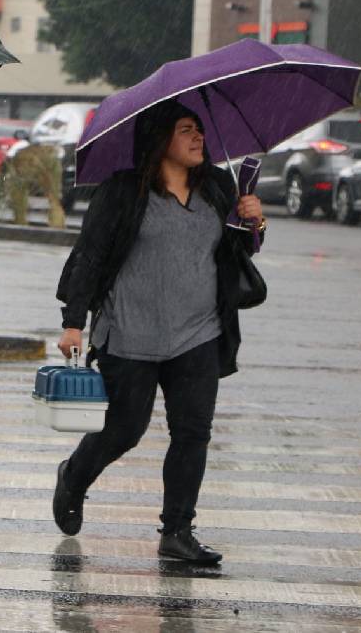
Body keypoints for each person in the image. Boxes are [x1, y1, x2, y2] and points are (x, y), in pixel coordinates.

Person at [52, 99, 265, 565]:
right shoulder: (123, 192)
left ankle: (177, 531)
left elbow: (240, 249)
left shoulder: (216, 186)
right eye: (186, 130)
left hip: (199, 332)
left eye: (200, 131)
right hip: (130, 332)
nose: (198, 139)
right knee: (124, 430)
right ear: (159, 138)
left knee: (193, 432)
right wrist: (73, 322)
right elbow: (89, 255)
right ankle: (74, 475)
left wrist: (253, 221)